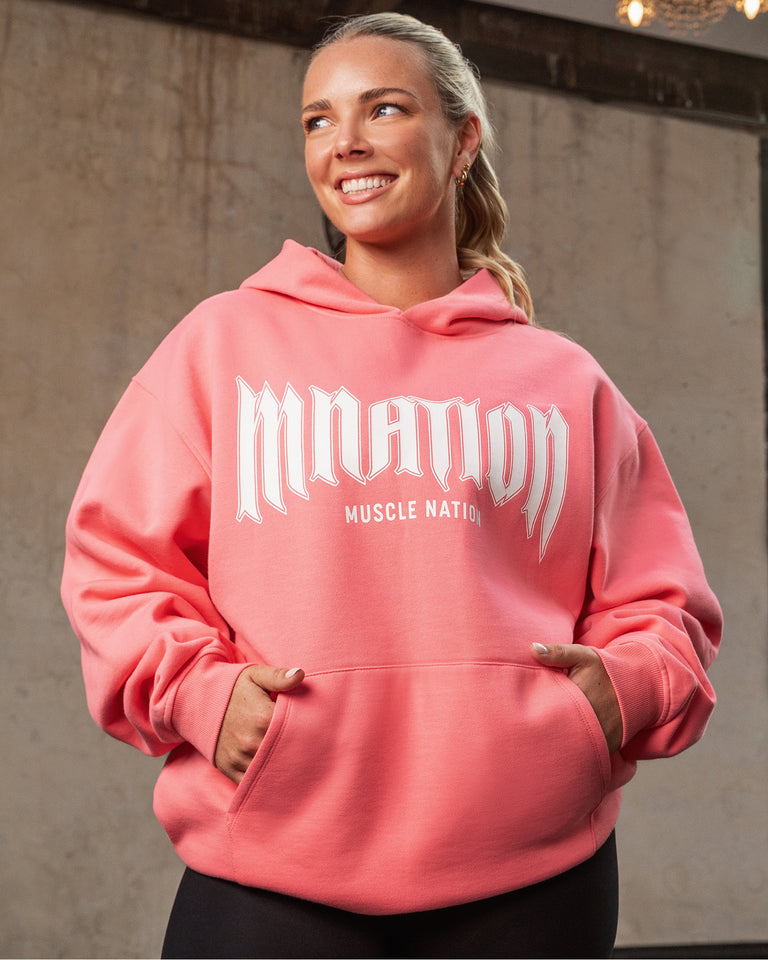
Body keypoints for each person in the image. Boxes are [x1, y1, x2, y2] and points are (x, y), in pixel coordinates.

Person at [61, 12, 722, 959]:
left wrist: (620, 693)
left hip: (534, 872)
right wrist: (200, 694)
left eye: (383, 109)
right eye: (318, 120)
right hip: (274, 861)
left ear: (464, 140)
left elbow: (663, 600)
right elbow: (117, 564)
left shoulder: (564, 379)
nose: (346, 143)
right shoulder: (222, 345)